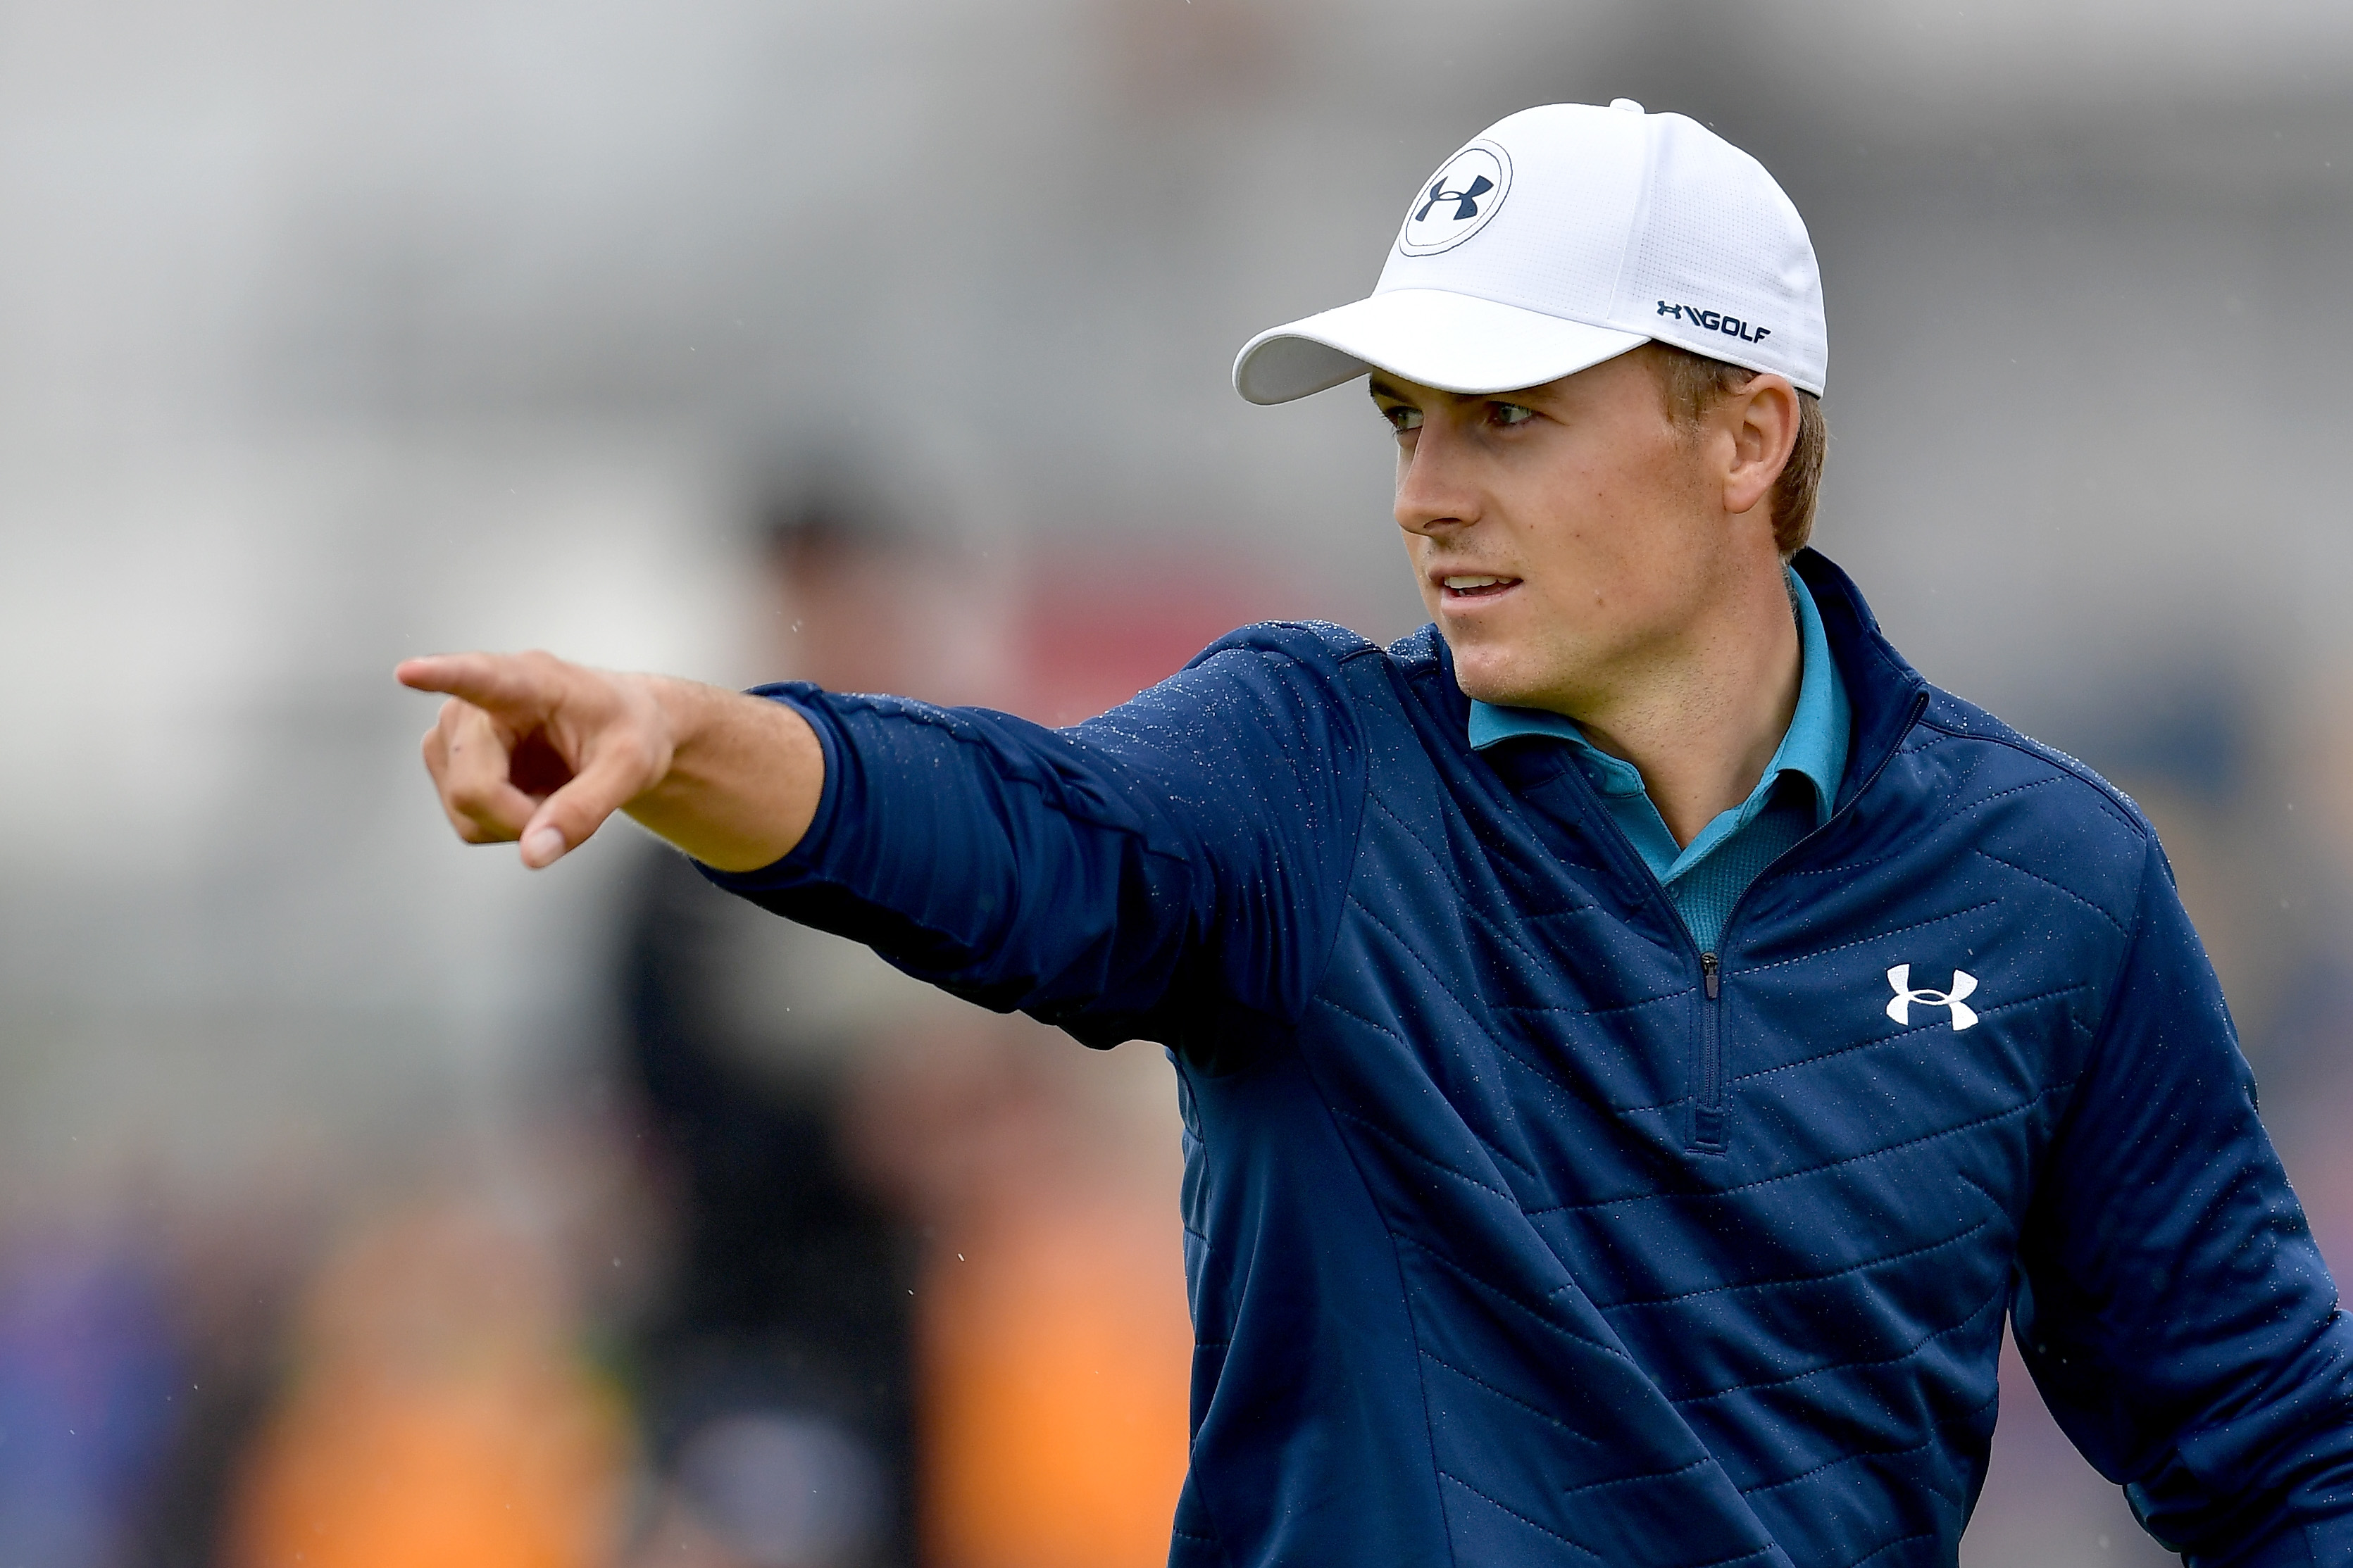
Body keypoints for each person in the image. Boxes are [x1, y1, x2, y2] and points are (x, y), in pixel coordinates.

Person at [399, 102, 2353, 1566]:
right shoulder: (1310, 769)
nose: (1424, 494)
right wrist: (677, 738)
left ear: (1744, 437)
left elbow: (2271, 1440)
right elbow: (1015, 828)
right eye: (1406, 420)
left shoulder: (2053, 889)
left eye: (1505, 419)